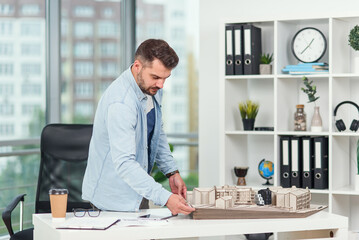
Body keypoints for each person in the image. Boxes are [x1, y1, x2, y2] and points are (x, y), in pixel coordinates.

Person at [82, 39, 195, 215]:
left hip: (138, 191)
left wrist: (171, 172)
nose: (161, 84)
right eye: (156, 77)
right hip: (111, 201)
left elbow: (157, 132)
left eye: (165, 78)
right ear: (137, 66)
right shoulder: (121, 103)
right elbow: (125, 163)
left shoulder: (152, 89)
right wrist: (165, 198)